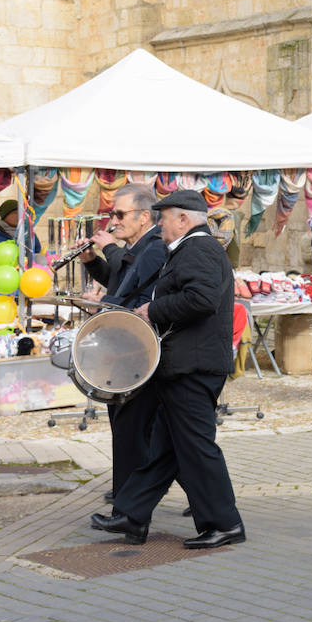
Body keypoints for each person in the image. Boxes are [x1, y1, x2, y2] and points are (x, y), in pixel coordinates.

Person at [90, 190, 245, 548]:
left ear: (184, 219)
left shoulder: (200, 248)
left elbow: (201, 300)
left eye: (164, 218)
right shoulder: (191, 249)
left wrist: (152, 311)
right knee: (164, 448)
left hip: (195, 365)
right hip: (184, 364)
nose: (159, 225)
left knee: (196, 446)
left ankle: (225, 523)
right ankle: (132, 516)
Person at [78, 183, 168, 503]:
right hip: (121, 346)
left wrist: (104, 306)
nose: (113, 221)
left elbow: (135, 289)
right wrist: (91, 260)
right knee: (129, 428)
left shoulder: (154, 245)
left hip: (136, 347)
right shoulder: (135, 247)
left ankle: (130, 498)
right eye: (112, 213)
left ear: (145, 217)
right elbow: (117, 281)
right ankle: (129, 492)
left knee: (137, 430)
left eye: (119, 214)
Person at [0, 200, 42, 298]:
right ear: (5, 215)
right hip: (1, 292)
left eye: (20, 213)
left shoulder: (29, 235)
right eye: (14, 213)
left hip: (27, 289)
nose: (18, 216)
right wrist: (6, 268)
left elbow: (36, 254)